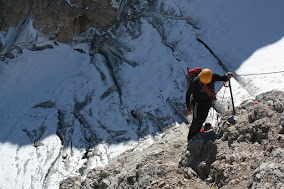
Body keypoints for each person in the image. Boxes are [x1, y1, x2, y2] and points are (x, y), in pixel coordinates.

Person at [186, 68, 233, 141]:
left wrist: (227, 76)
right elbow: (188, 94)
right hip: (197, 104)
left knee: (202, 119)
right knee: (196, 121)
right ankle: (191, 138)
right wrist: (188, 108)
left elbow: (222, 78)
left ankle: (196, 135)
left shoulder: (212, 77)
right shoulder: (195, 82)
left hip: (207, 102)